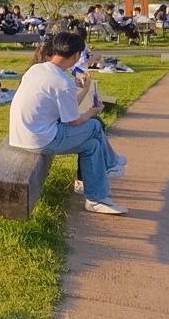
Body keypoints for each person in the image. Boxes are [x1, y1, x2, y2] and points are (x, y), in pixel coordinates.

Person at [8, 32, 127, 215]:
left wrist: (85, 89)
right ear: (76, 56)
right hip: (41, 139)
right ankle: (111, 164)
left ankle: (96, 198)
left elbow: (67, 112)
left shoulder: (37, 69)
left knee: (92, 146)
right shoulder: (62, 82)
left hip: (22, 135)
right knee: (94, 125)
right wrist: (92, 112)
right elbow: (74, 122)